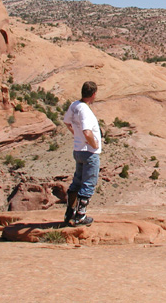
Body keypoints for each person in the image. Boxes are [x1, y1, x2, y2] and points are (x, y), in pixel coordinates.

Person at [63, 81, 102, 226]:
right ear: (93, 94)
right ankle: (80, 216)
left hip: (78, 150)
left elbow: (66, 122)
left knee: (77, 182)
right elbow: (87, 132)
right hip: (89, 153)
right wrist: (94, 144)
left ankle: (69, 213)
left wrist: (75, 134)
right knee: (88, 183)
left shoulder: (74, 106)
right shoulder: (85, 110)